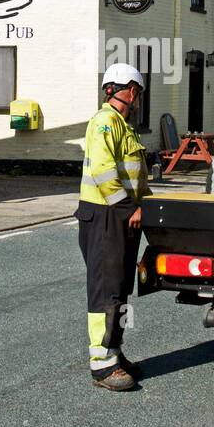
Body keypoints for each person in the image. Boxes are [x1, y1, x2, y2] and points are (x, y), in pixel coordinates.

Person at [76, 63, 151, 391]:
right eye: (137, 94)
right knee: (106, 290)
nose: (137, 101)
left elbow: (134, 174)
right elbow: (105, 172)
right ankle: (102, 366)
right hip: (106, 217)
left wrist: (150, 204)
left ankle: (114, 352)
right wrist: (127, 208)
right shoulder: (105, 123)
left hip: (118, 216)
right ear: (132, 91)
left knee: (118, 289)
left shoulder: (123, 125)